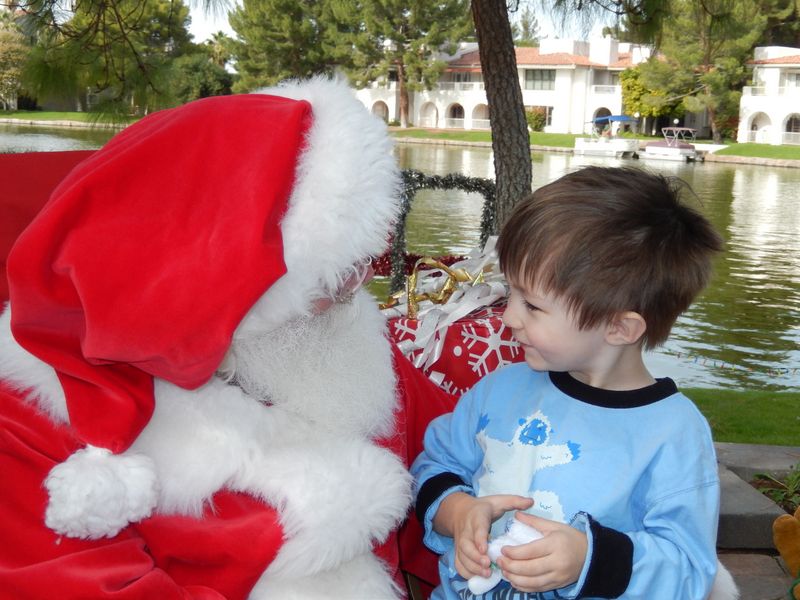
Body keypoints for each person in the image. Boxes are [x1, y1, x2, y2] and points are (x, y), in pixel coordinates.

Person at [0, 77, 415, 598]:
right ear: (229, 274)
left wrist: (462, 507)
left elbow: (452, 447)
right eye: (333, 273)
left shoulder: (340, 338)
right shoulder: (29, 415)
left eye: (363, 263)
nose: (360, 287)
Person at [411, 166, 733, 599]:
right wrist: (458, 511)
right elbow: (435, 466)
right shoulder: (500, 390)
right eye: (511, 294)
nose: (508, 317)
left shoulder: (673, 434)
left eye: (533, 306)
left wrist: (588, 558)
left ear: (619, 328)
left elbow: (689, 570)